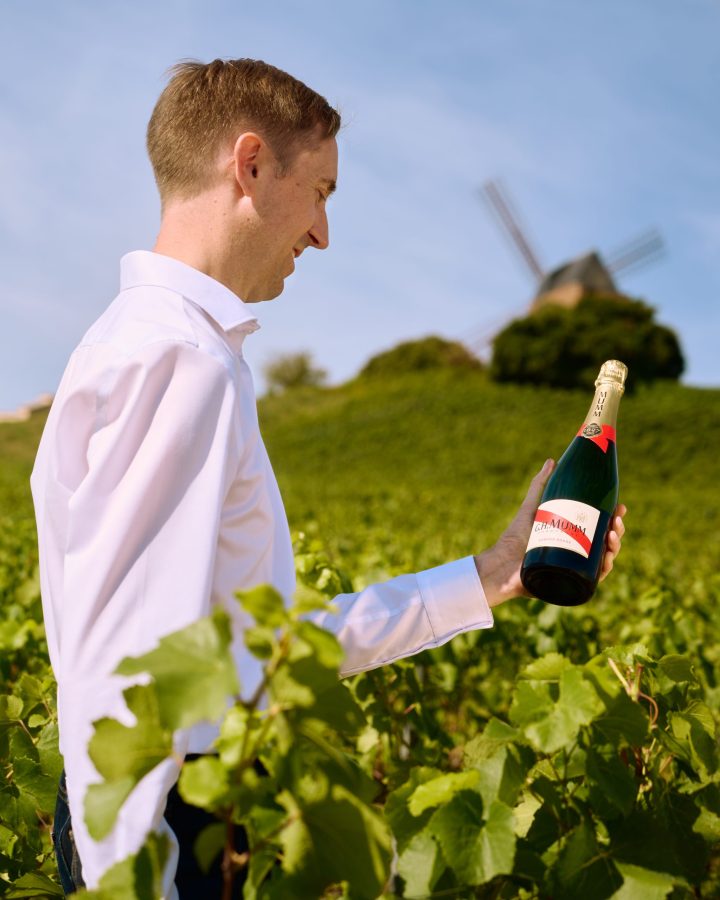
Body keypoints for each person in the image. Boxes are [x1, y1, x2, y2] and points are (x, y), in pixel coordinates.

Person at [30, 58, 626, 898]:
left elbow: (267, 648)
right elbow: (122, 681)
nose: (322, 233)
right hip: (152, 841)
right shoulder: (179, 362)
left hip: (166, 820)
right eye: (321, 192)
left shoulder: (166, 349)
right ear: (250, 166)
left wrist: (495, 575)